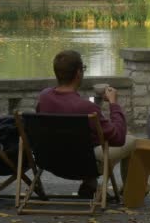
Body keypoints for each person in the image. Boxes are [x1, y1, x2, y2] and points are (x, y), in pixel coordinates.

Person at [36, 50, 135, 198]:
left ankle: (90, 185)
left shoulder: (44, 97)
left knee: (87, 139)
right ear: (78, 73)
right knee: (131, 140)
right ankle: (130, 190)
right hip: (85, 166)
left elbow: (66, 105)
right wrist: (114, 103)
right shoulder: (86, 108)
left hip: (50, 163)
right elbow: (118, 138)